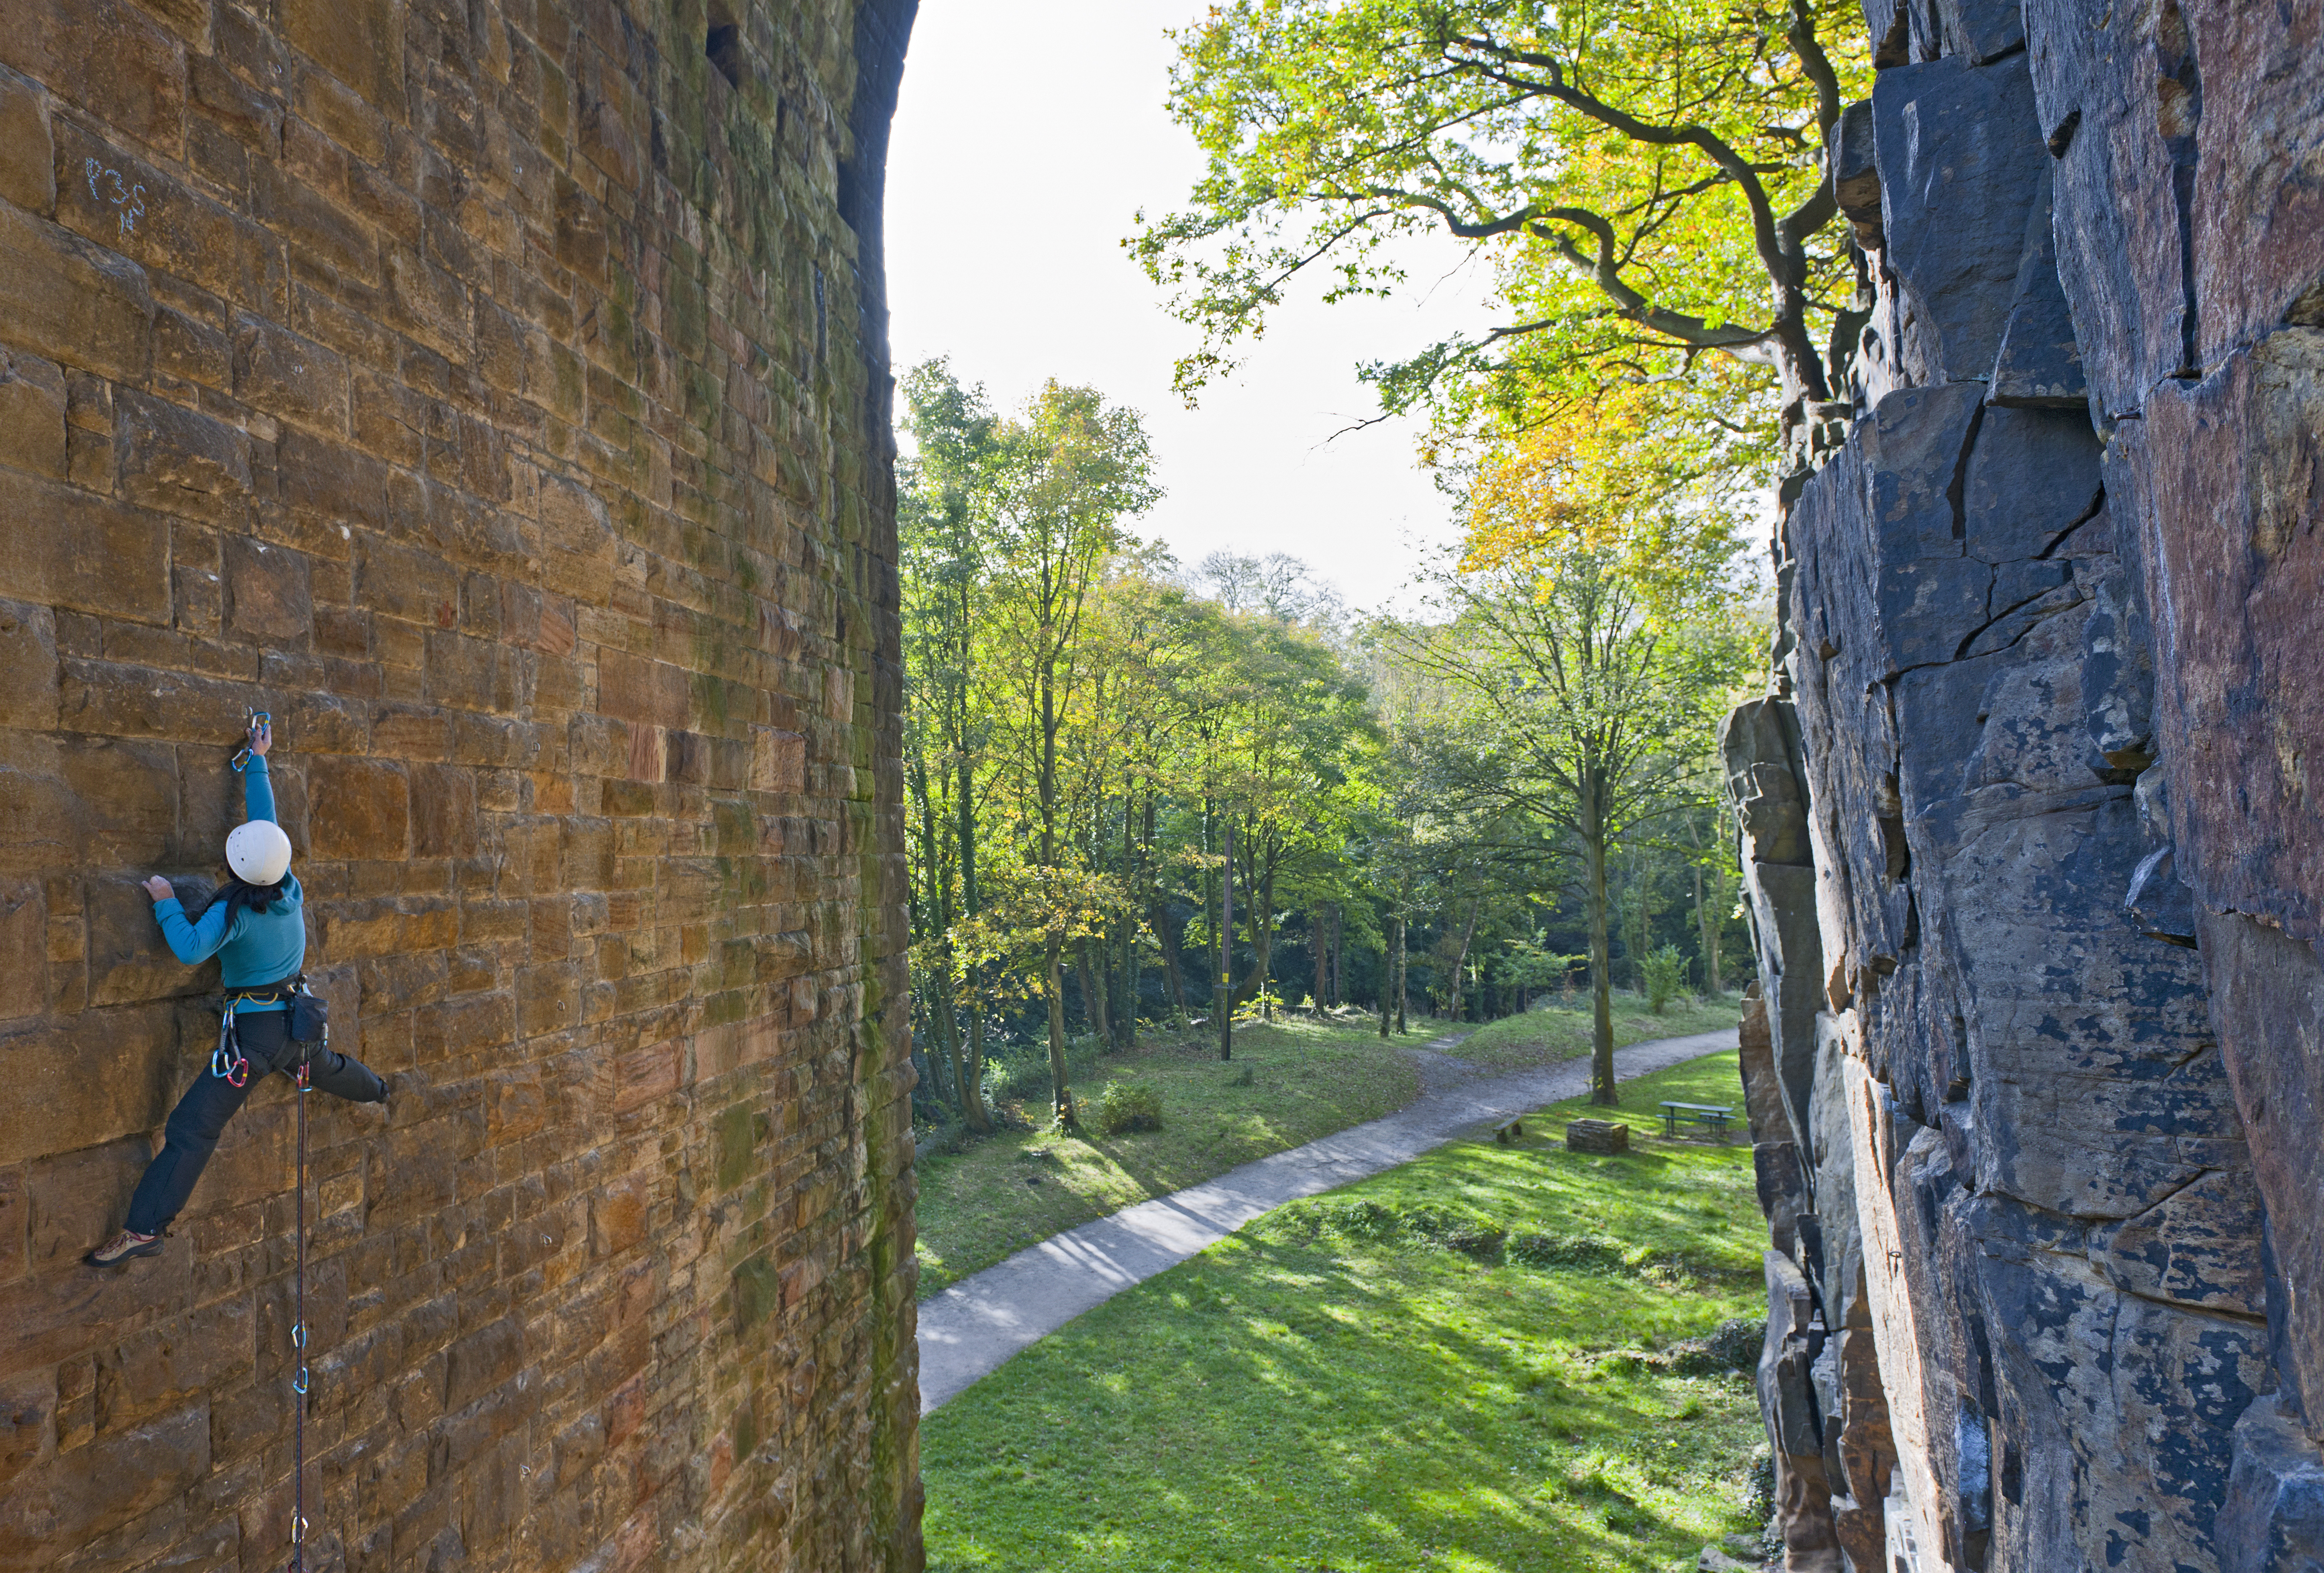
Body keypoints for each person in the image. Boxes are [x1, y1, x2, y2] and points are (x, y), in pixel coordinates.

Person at [86, 719, 388, 1268]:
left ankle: (144, 1230)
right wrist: (257, 758)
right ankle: (380, 1091)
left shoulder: (232, 914)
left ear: (232, 867)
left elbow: (190, 948)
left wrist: (164, 899)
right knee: (332, 1068)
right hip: (298, 1026)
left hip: (252, 1041)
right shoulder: (288, 885)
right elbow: (265, 823)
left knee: (191, 1128)